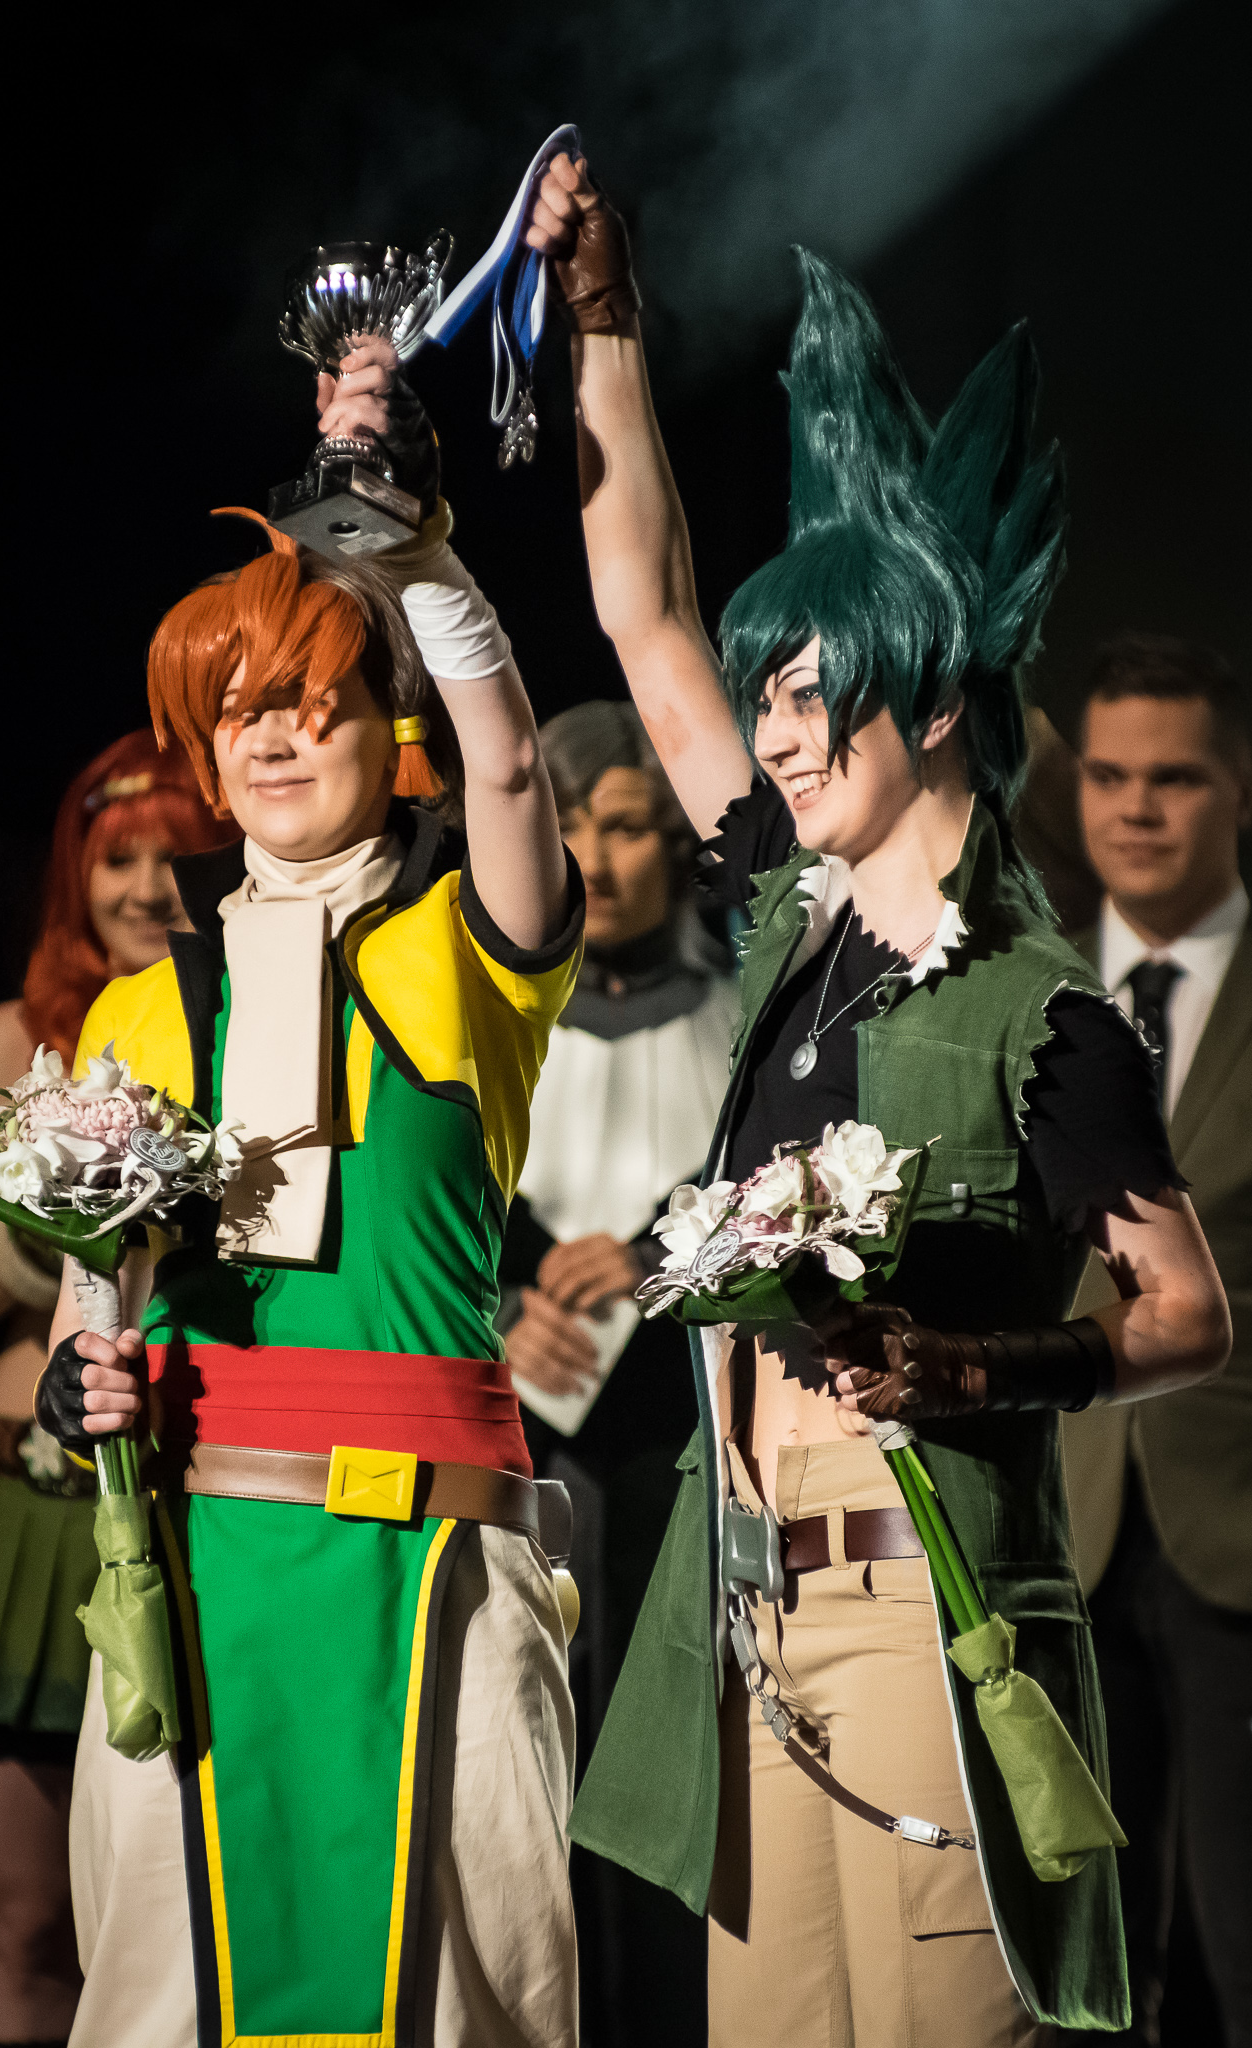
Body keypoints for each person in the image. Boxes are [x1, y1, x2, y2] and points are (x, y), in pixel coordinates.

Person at [525, 154, 1231, 2044]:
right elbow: (639, 610)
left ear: (927, 706)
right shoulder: (784, 921)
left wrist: (982, 1369)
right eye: (760, 699)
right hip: (751, 1611)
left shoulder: (1039, 1014)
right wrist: (603, 322)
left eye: (806, 693)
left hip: (936, 1606)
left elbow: (1183, 1314)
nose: (765, 733)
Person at [32, 359, 585, 2048]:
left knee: (461, 1999)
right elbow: (88, 1306)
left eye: (312, 698)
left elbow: (510, 773)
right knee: (165, 2001)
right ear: (206, 754)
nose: (274, 733)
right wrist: (75, 1379)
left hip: (438, 1564)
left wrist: (416, 558)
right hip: (189, 1573)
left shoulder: (469, 946)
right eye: (240, 709)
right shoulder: (134, 1013)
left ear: (383, 728)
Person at [0, 728, 226, 2048]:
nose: (145, 887)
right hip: (32, 1502)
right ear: (71, 876)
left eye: (171, 855)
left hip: (199, 1485)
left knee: (179, 1916)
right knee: (31, 1922)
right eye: (116, 858)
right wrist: (74, 1212)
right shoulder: (12, 1037)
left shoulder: (250, 1031)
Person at [501, 699, 734, 2047]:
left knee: (660, 1741)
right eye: (573, 826)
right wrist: (500, 1311)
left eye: (630, 825)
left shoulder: (741, 1017)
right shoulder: (493, 1019)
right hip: (519, 1430)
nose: (597, 857)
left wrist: (657, 1258)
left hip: (676, 1432)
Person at [1059, 633, 1252, 2048]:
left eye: (1172, 778)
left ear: (1238, 787)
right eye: (1107, 775)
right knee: (1091, 1968)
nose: (1134, 807)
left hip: (1239, 1529)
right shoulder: (1023, 988)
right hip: (1063, 1533)